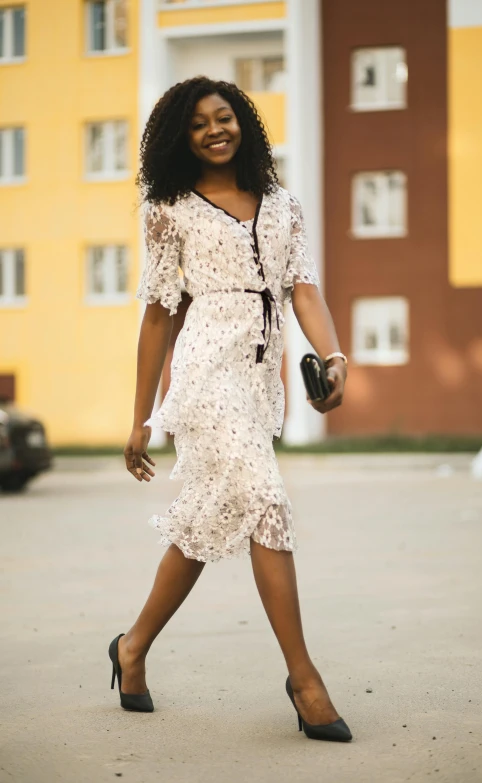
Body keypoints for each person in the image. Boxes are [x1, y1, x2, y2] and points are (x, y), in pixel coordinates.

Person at [109, 77, 352, 743]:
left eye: (224, 117)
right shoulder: (169, 210)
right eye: (197, 125)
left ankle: (131, 647)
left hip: (257, 383)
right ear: (179, 139)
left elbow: (302, 289)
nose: (214, 130)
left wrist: (334, 358)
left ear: (243, 121)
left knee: (203, 523)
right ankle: (304, 678)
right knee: (266, 500)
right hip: (205, 374)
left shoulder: (282, 204)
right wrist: (141, 418)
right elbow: (157, 316)